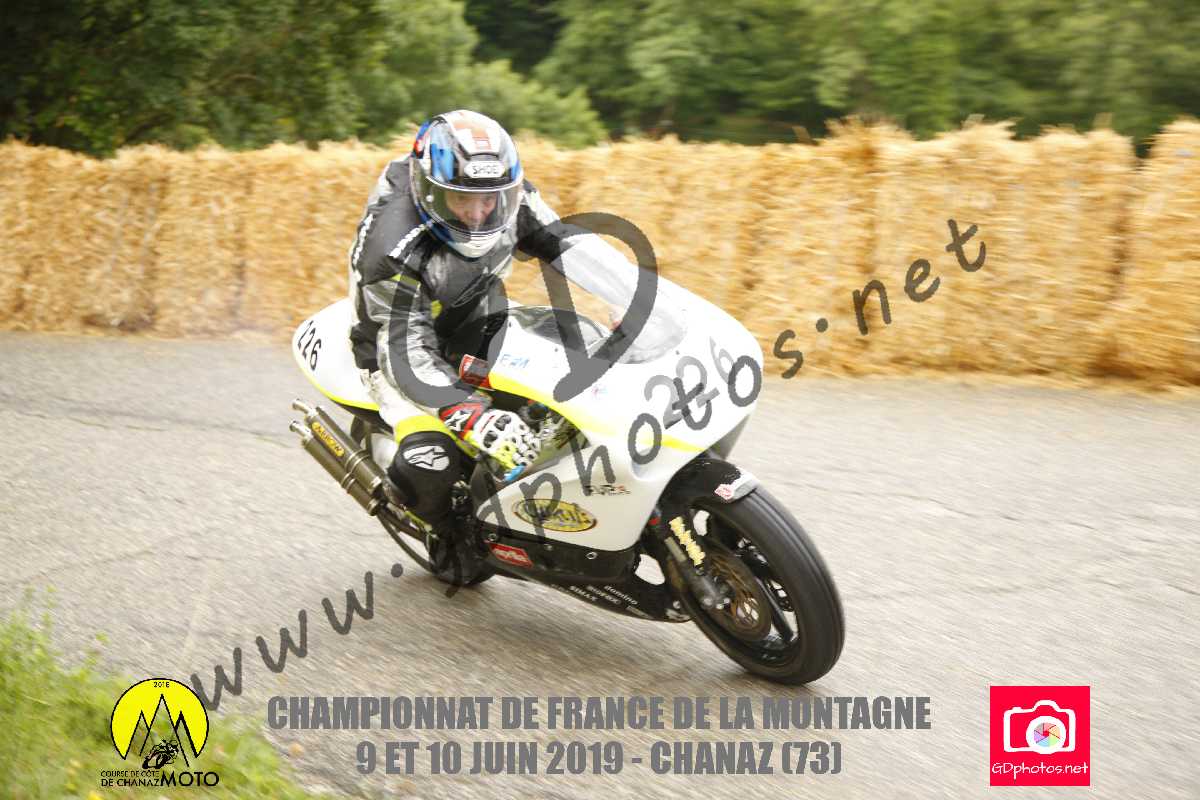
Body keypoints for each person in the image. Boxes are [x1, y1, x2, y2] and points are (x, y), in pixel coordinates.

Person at [345, 109, 632, 576]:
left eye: (490, 199)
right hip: (392, 351)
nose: (479, 213)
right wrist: (471, 415)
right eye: (462, 199)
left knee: (582, 345)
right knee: (431, 464)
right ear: (429, 192)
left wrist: (633, 296)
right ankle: (448, 535)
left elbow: (567, 244)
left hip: (476, 313)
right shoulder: (390, 248)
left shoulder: (508, 196)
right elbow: (405, 350)